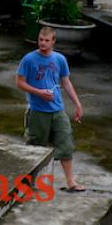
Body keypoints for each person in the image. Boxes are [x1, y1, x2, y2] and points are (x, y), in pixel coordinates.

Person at [16, 26, 85, 192]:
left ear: (53, 41)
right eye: (41, 40)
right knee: (36, 148)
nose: (43, 43)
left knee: (66, 145)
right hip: (38, 111)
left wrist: (77, 103)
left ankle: (71, 182)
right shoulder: (29, 59)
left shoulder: (59, 59)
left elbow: (66, 82)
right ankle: (30, 183)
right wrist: (38, 92)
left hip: (58, 110)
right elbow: (19, 83)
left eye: (47, 40)